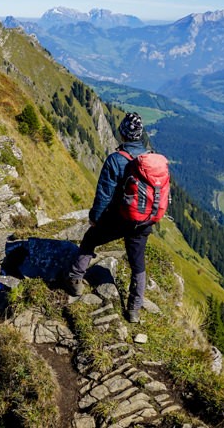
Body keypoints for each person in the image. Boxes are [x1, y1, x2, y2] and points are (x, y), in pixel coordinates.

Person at [64, 111, 153, 323]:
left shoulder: (116, 160)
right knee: (137, 264)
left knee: (90, 239)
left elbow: (104, 194)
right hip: (142, 222)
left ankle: (76, 280)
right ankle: (133, 309)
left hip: (118, 219)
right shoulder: (150, 159)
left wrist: (95, 217)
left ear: (122, 133)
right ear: (140, 135)